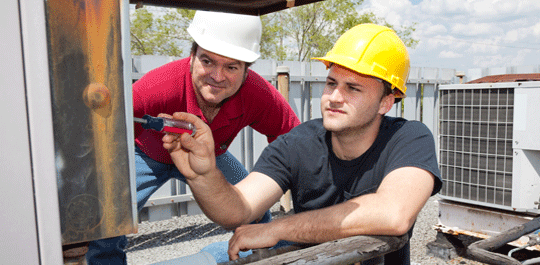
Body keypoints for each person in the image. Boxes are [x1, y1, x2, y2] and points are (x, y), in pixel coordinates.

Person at [162, 23, 442, 264]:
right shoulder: (298, 144)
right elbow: (239, 210)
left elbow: (394, 214)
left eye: (353, 88)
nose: (334, 97)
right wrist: (203, 176)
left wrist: (278, 229)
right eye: (332, 83)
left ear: (385, 102)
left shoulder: (408, 138)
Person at [86, 10, 300, 264]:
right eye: (207, 61)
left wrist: (311, 203)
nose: (217, 76)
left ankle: (260, 259)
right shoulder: (154, 87)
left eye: (231, 66)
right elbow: (104, 139)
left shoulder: (258, 94)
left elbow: (295, 144)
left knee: (254, 213)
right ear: (191, 56)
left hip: (210, 155)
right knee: (105, 220)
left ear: (246, 70)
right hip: (146, 153)